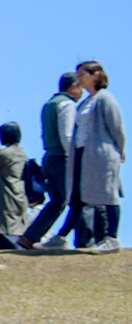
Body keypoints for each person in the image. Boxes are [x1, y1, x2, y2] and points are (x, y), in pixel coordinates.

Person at [20, 73, 81, 251]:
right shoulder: (67, 104)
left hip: (49, 157)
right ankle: (81, 238)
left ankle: (30, 237)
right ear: (73, 87)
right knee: (77, 199)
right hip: (62, 157)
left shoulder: (49, 104)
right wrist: (74, 158)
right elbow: (67, 134)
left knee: (57, 201)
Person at [72, 61, 124, 253]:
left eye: (82, 74)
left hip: (102, 153)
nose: (79, 79)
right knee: (84, 195)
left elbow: (117, 127)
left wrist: (120, 151)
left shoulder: (105, 99)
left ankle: (112, 238)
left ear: (95, 75)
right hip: (86, 154)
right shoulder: (86, 102)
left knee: (109, 194)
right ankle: (62, 236)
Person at [0, 122, 30, 249]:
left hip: (6, 196)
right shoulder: (21, 152)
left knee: (5, 227)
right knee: (18, 225)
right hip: (19, 194)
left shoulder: (5, 154)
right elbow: (5, 155)